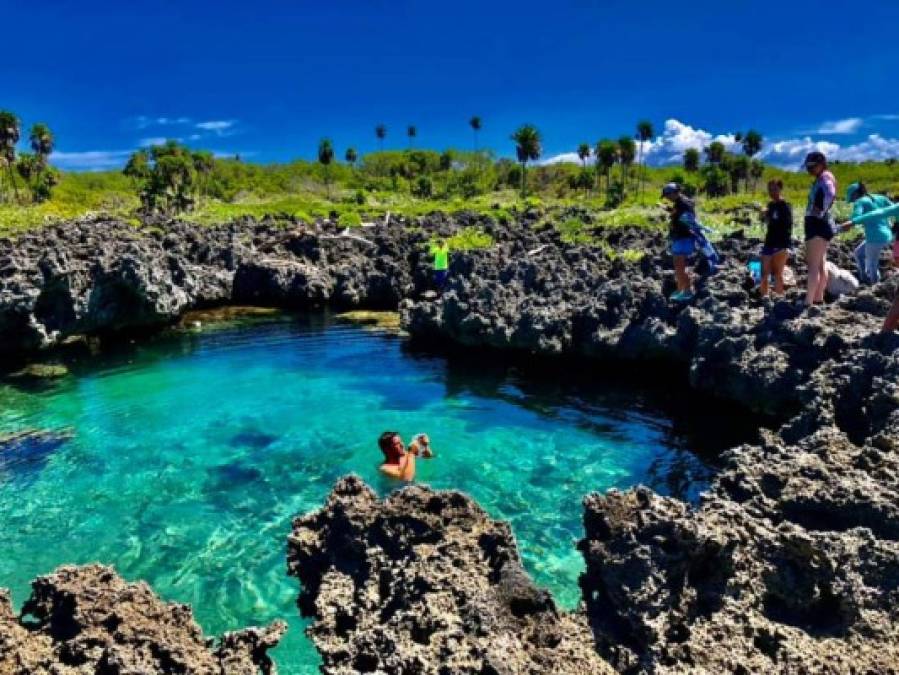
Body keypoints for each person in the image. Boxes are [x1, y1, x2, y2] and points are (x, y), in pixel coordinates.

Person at [840, 182, 895, 285]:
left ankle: (874, 287)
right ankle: (863, 278)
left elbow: (856, 216)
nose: (853, 202)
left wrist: (847, 225)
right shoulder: (880, 198)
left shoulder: (859, 202)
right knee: (858, 253)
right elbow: (894, 208)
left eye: (852, 199)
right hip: (888, 235)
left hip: (874, 237)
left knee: (872, 264)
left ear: (855, 194)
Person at [802, 151, 837, 306]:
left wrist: (819, 210)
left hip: (817, 224)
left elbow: (830, 193)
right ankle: (818, 298)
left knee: (813, 266)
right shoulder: (825, 177)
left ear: (822, 164)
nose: (810, 170)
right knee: (821, 264)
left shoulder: (825, 178)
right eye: (808, 167)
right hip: (822, 224)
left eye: (813, 166)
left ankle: (808, 302)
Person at [662, 183, 698, 301]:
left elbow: (688, 219)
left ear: (673, 193)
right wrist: (669, 210)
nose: (667, 198)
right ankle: (681, 289)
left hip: (683, 237)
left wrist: (678, 219)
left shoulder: (684, 203)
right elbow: (678, 214)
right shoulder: (680, 203)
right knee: (679, 265)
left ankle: (687, 291)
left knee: (680, 266)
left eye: (667, 195)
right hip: (680, 237)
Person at [758, 179, 793, 296]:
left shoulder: (785, 206)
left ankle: (779, 299)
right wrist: (763, 215)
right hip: (769, 242)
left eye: (775, 189)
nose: (772, 192)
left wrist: (786, 246)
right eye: (770, 190)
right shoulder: (770, 205)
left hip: (781, 244)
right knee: (764, 273)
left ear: (780, 189)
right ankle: (764, 298)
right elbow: (767, 222)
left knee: (778, 274)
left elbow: (787, 226)